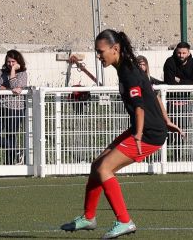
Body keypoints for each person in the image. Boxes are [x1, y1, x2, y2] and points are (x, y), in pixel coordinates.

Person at [60, 29, 183, 239]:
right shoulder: (125, 67)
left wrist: (139, 133)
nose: (99, 56)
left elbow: (139, 108)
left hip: (148, 134)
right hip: (144, 129)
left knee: (105, 168)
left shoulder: (128, 71)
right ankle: (89, 218)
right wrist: (167, 120)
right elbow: (152, 94)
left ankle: (125, 221)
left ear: (115, 49)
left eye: (101, 52)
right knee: (96, 166)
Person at [0, 49, 28, 165]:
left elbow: (16, 85)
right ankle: (17, 151)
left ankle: (9, 165)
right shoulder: (1, 72)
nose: (10, 64)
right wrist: (10, 90)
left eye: (13, 62)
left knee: (11, 136)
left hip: (15, 109)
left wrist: (13, 71)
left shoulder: (22, 74)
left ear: (18, 62)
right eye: (9, 62)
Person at [163, 42, 193, 159]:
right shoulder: (170, 62)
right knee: (170, 132)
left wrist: (179, 80)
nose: (181, 55)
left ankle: (179, 157)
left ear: (188, 52)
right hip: (171, 103)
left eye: (184, 53)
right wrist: (186, 81)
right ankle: (166, 156)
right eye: (179, 52)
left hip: (186, 103)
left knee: (184, 131)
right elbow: (169, 82)